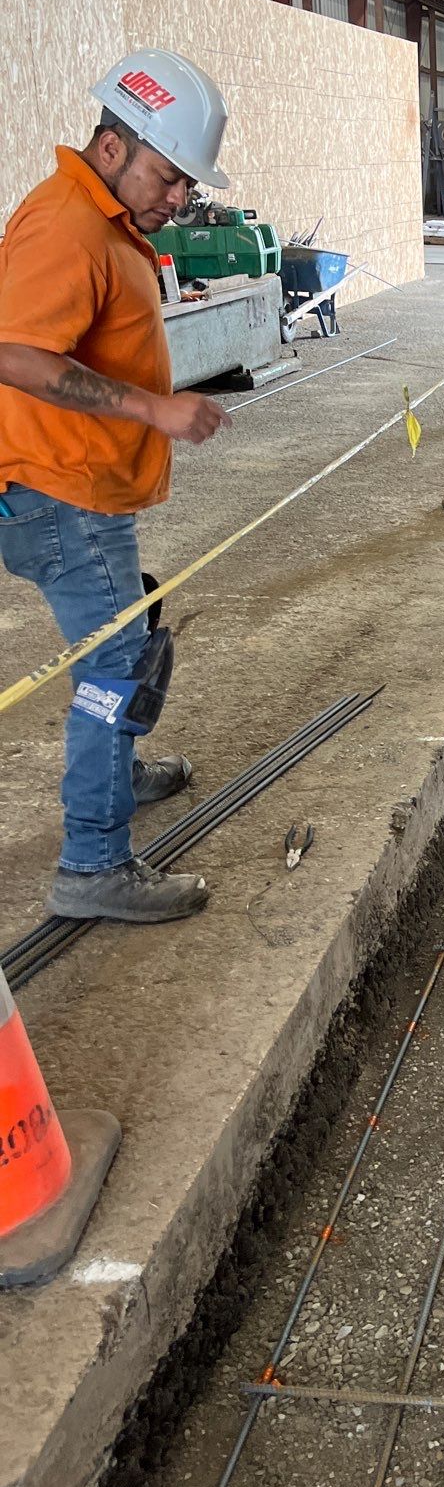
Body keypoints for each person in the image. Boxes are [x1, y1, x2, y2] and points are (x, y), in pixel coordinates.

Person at [0, 49, 232, 924]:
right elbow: (17, 355)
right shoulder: (68, 223)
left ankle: (117, 774)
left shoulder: (104, 218)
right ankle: (92, 864)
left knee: (120, 646)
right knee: (114, 668)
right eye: (169, 176)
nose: (180, 197)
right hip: (62, 494)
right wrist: (153, 409)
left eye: (186, 182)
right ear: (113, 147)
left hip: (84, 488)